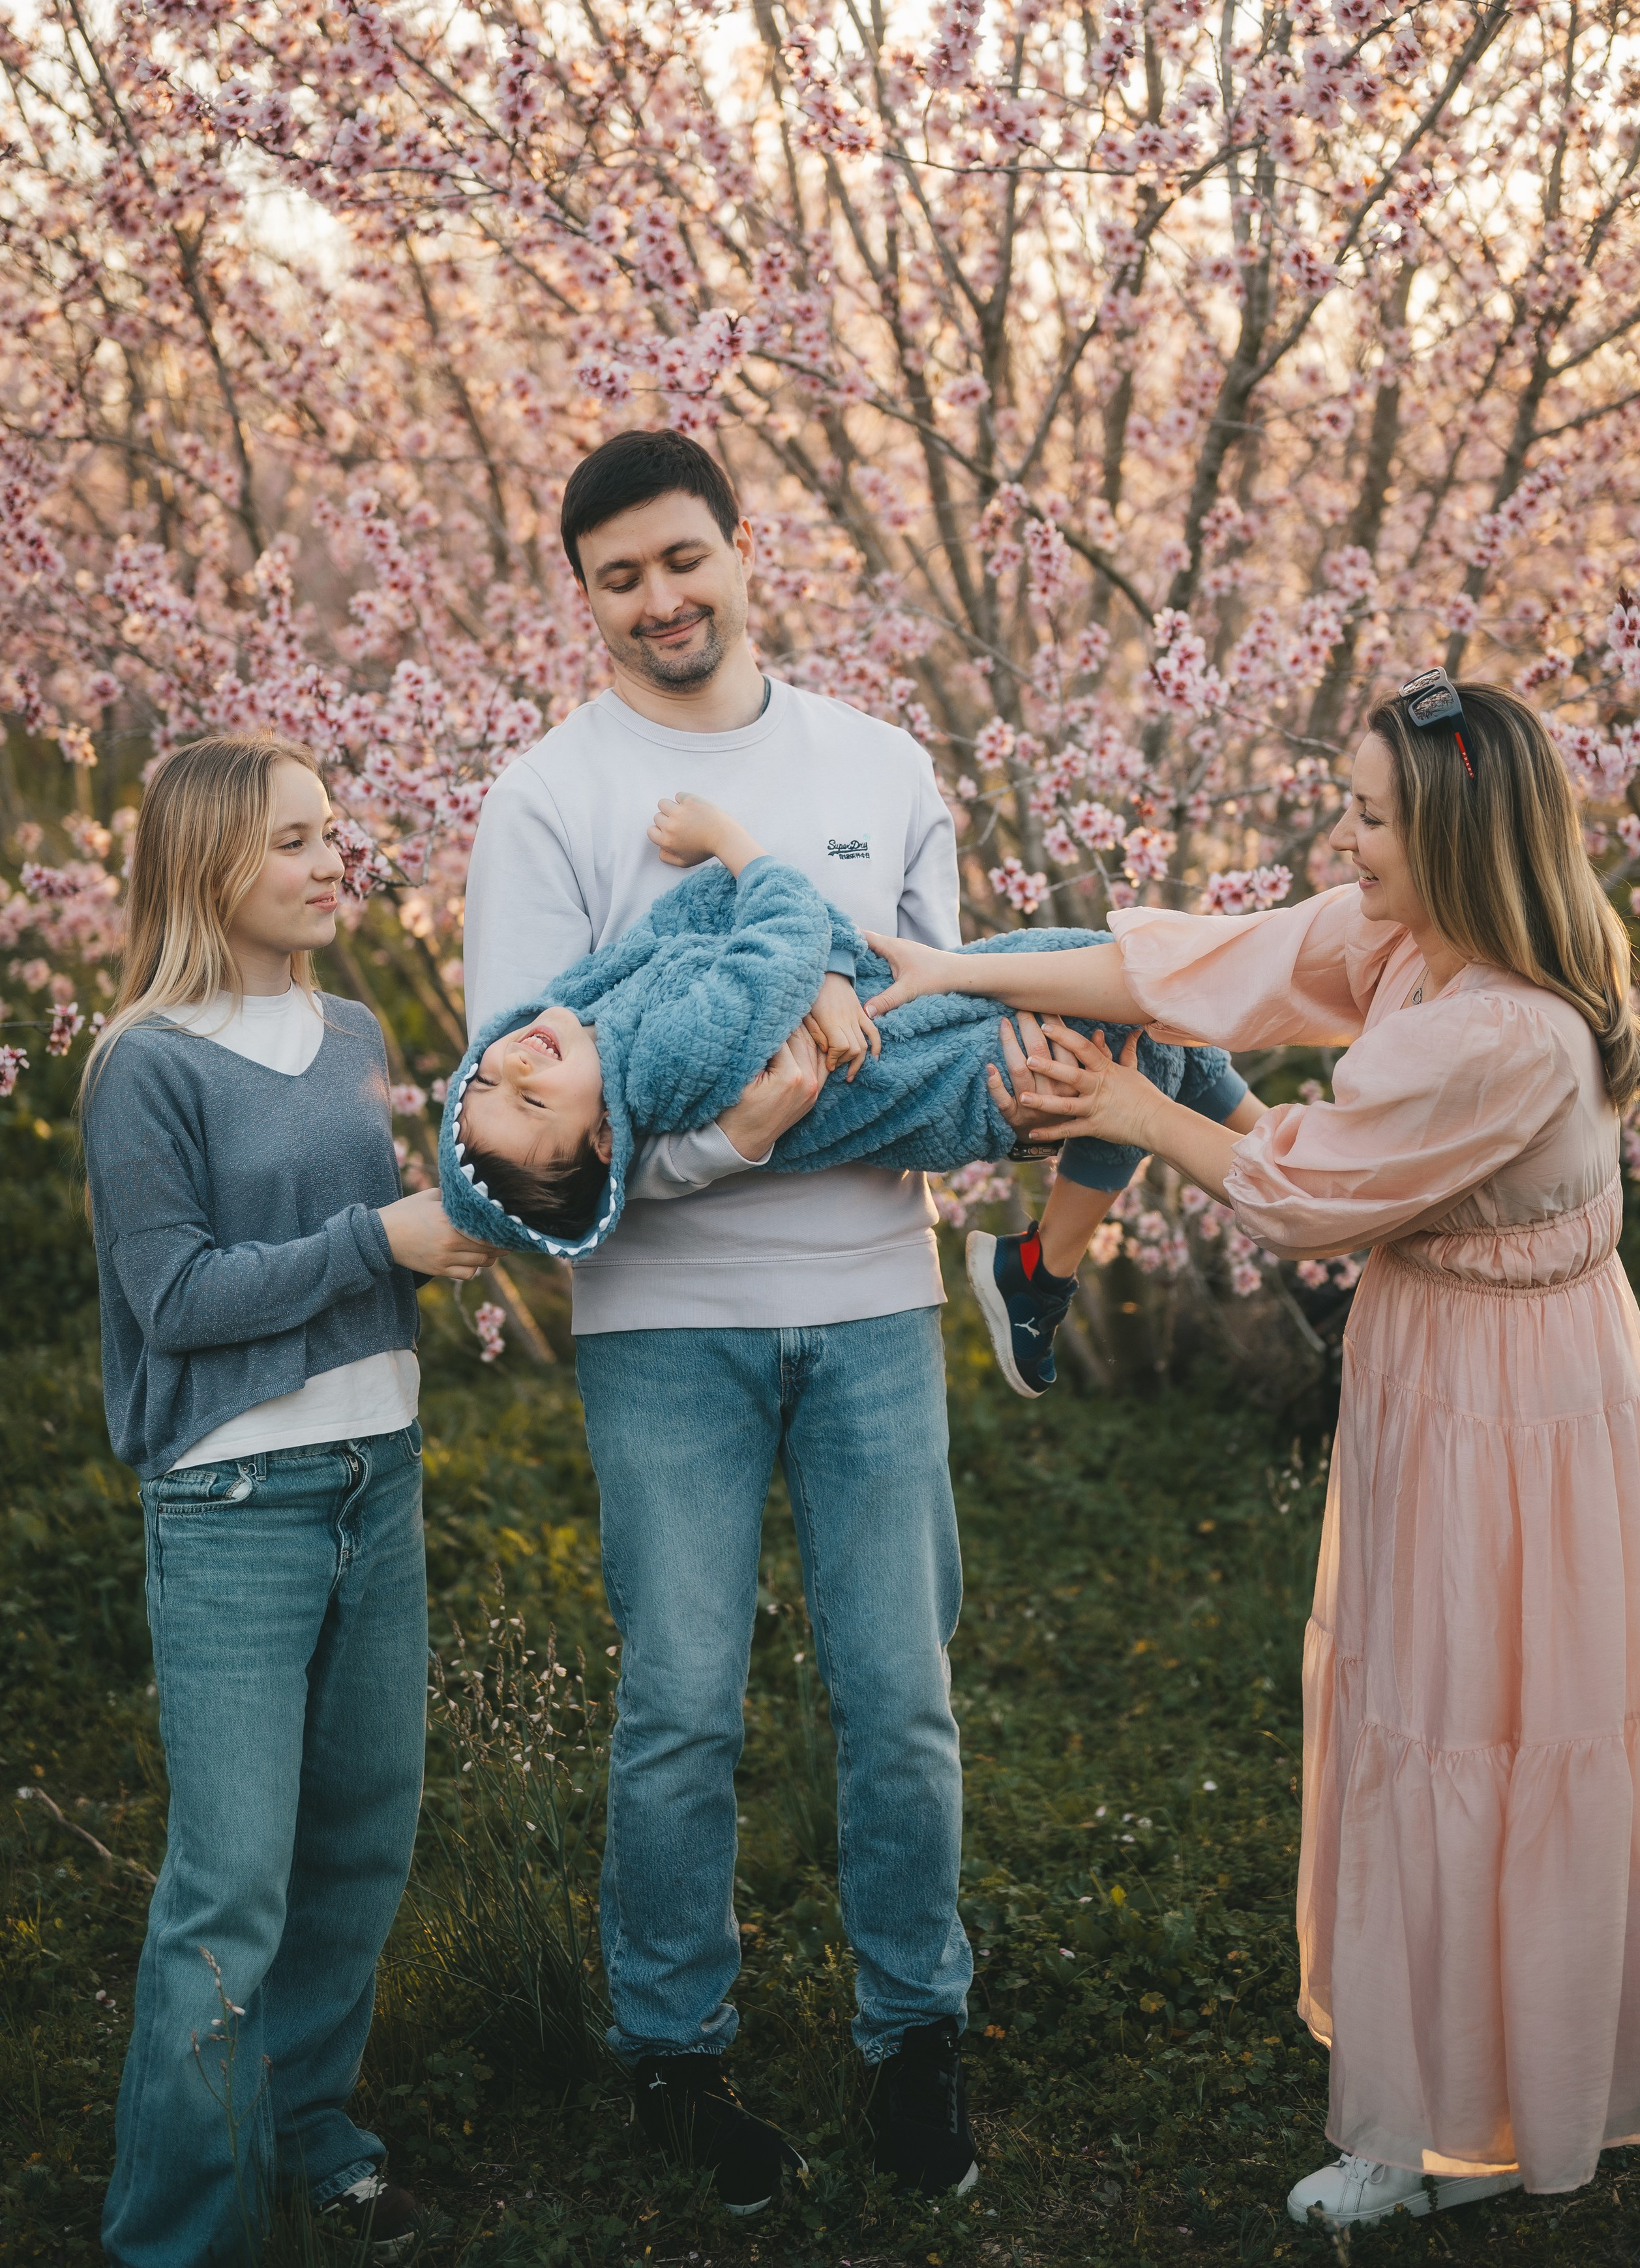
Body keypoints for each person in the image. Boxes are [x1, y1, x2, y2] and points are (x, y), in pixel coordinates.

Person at [862, 675, 1640, 2246]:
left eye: (1369, 813)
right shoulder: (1411, 937)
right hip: (1436, 1379)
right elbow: (1199, 962)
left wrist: (1118, 1109)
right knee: (1426, 1725)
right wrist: (947, 963)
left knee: (1574, 1745)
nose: (1342, 838)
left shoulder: (1502, 1028)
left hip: (1538, 1407)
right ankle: (1443, 2108)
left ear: (1451, 833)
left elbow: (1301, 1188)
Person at [465, 426, 1048, 2213]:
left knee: (904, 1698)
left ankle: (915, 2032)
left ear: (743, 546)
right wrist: (753, 1126)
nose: (661, 598)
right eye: (620, 575)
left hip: (873, 1302)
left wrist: (1040, 1097)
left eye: (683, 558)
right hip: (663, 1324)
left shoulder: (876, 761)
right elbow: (543, 1144)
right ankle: (672, 2053)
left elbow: (943, 1029)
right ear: (582, 596)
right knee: (679, 1708)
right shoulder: (545, 800)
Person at [82, 734, 494, 2268]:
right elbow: (175, 1294)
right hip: (235, 1497)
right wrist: (383, 1244)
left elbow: (354, 1249)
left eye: (338, 830)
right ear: (210, 867)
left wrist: (453, 1226)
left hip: (374, 1474)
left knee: (359, 1840)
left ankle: (309, 2128)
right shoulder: (145, 1060)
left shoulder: (348, 1026)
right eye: (299, 840)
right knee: (229, 1880)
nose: (338, 859)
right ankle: (172, 2229)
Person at [439, 790, 1260, 1295]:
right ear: (607, 1135)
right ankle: (1050, 1267)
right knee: (1137, 1021)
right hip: (953, 1074)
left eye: (485, 1082)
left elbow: (719, 909)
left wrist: (817, 967)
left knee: (1139, 994)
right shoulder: (665, 1063)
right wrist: (731, 837)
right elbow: (781, 917)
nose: (512, 1063)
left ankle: (1275, 1144)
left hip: (931, 1022)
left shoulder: (604, 1014)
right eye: (533, 1100)